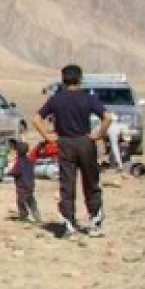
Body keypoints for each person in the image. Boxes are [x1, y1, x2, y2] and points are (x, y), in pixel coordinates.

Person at [32, 64, 110, 238]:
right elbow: (107, 117)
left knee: (67, 184)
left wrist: (48, 136)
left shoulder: (56, 99)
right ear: (80, 79)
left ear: (63, 80)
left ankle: (69, 223)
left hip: (65, 143)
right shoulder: (88, 98)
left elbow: (36, 119)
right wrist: (99, 134)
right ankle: (95, 221)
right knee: (91, 181)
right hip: (85, 142)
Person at [10, 139, 39, 223]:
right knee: (31, 200)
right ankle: (36, 215)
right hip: (30, 185)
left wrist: (10, 173)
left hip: (22, 186)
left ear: (18, 151)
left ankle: (24, 216)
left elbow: (15, 172)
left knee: (21, 201)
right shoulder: (29, 160)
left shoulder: (19, 161)